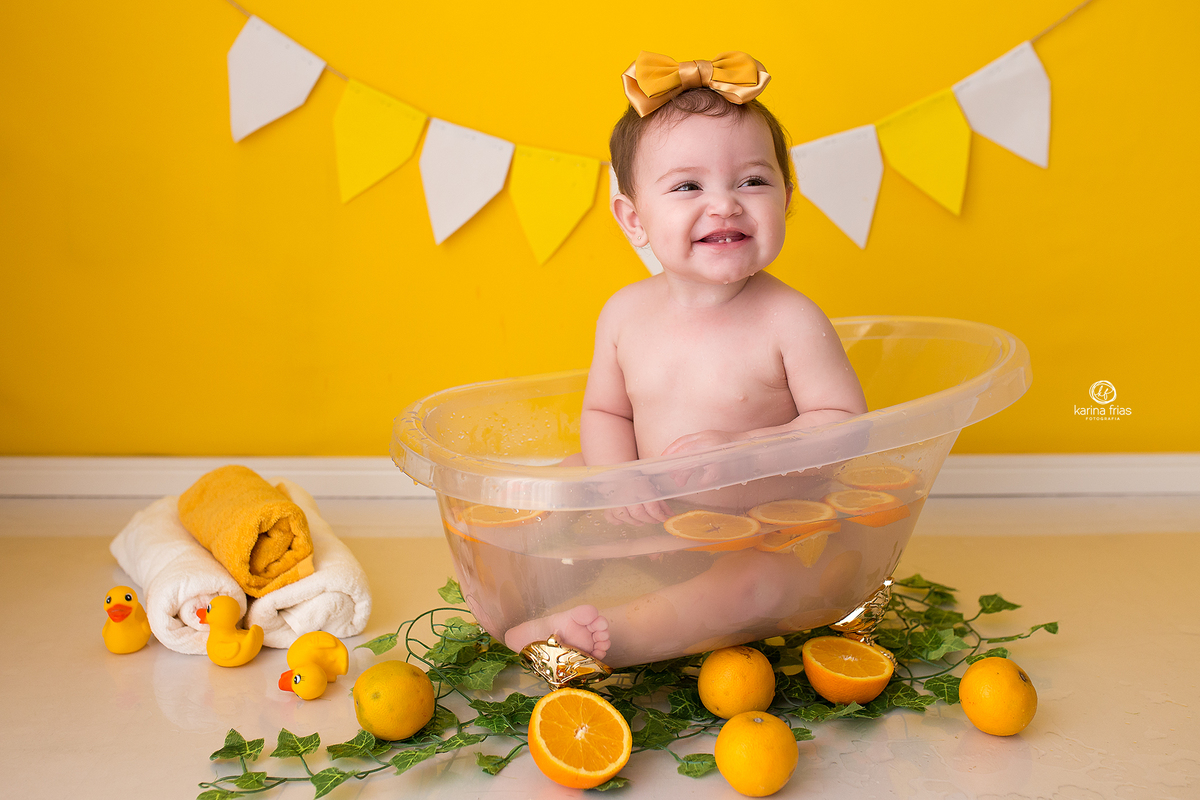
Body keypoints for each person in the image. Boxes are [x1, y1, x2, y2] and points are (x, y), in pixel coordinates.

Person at [503, 51, 867, 665]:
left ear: (787, 198)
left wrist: (741, 448)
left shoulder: (790, 319)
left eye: (753, 180)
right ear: (634, 218)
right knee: (548, 489)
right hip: (649, 515)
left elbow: (845, 428)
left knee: (759, 586)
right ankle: (524, 603)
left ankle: (607, 637)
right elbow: (605, 413)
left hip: (764, 527)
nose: (725, 204)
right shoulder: (624, 314)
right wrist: (619, 480)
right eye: (689, 186)